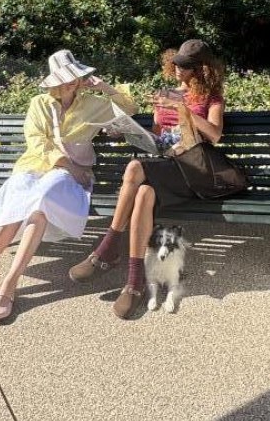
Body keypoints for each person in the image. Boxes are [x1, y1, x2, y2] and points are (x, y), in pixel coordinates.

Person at [0, 49, 137, 322]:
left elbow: (130, 108)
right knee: (18, 201)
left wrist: (103, 87)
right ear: (54, 80)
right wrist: (68, 165)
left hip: (68, 179)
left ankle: (9, 285)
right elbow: (36, 141)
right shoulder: (39, 103)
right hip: (35, 167)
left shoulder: (93, 102)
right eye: (64, 78)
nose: (70, 83)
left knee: (42, 200)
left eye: (74, 77)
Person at [69, 39, 227, 319]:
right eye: (176, 63)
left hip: (191, 170)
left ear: (202, 69)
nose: (178, 69)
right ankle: (135, 282)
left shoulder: (211, 97)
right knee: (143, 193)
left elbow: (214, 135)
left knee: (133, 168)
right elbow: (156, 136)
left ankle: (107, 250)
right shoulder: (164, 93)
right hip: (164, 163)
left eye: (186, 66)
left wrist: (182, 109)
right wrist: (126, 132)